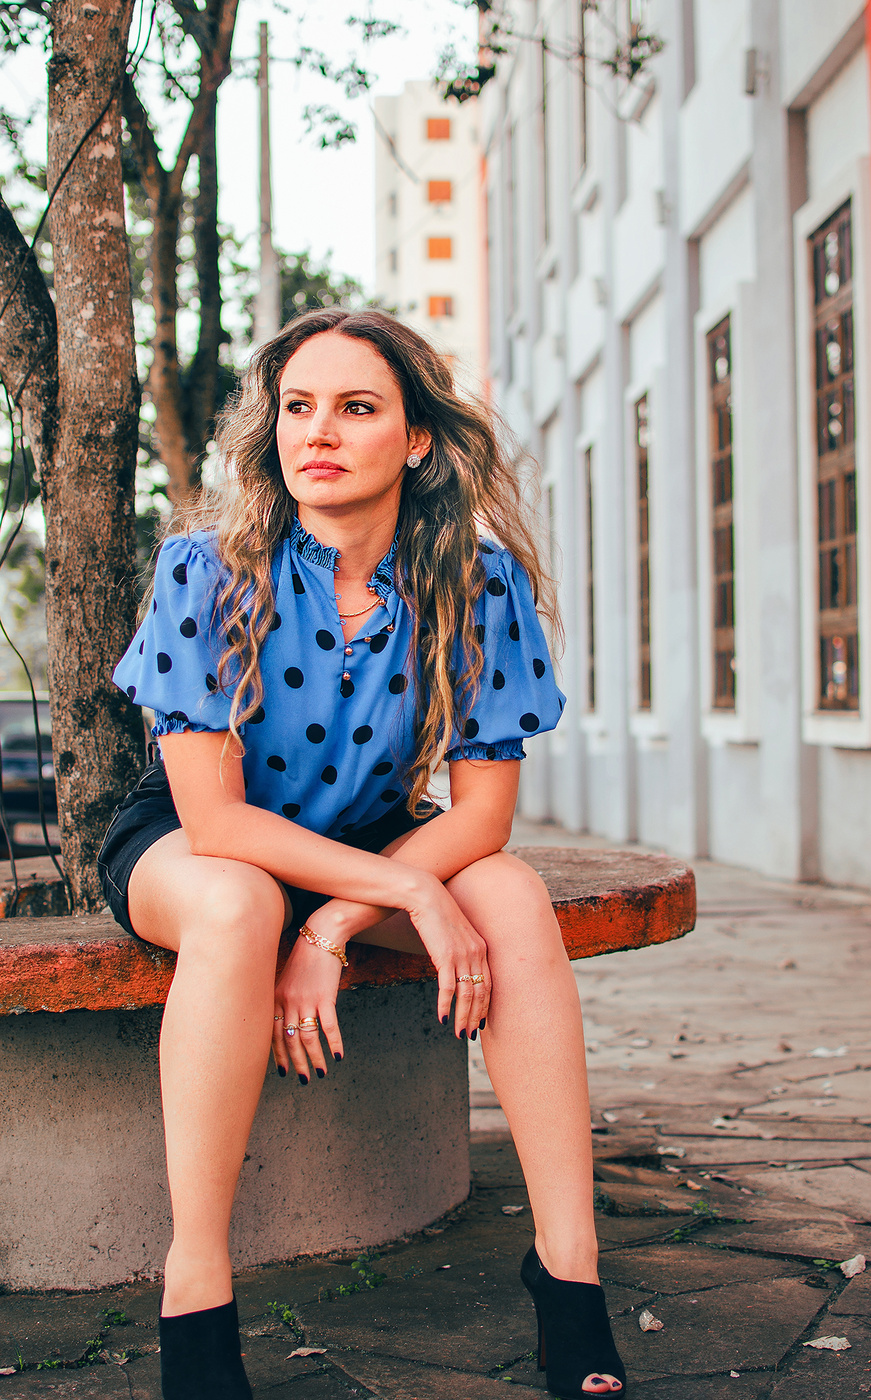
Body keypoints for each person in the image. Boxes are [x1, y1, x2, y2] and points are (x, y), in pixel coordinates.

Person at [99, 308, 626, 1400]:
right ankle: (196, 1286)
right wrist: (403, 893)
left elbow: (483, 817)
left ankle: (570, 1273)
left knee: (510, 898)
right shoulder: (207, 569)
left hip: (369, 831)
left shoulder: (477, 583)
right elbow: (217, 825)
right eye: (298, 406)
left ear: (417, 437)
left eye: (356, 407)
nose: (319, 432)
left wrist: (338, 921)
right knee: (242, 904)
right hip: (199, 839)